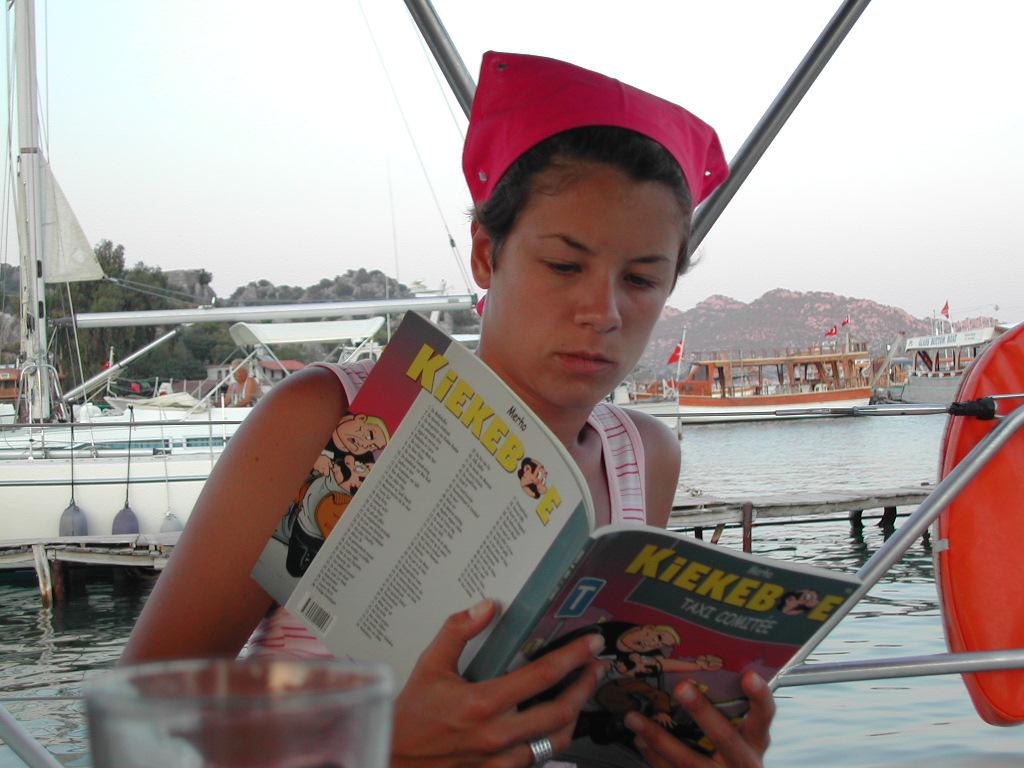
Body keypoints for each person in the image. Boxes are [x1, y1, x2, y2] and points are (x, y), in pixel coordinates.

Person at [122, 51, 774, 767]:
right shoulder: (331, 416)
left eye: (644, 278)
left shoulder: (643, 455)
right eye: (564, 265)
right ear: (487, 256)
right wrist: (373, 747)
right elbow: (141, 726)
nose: (603, 311)